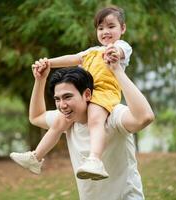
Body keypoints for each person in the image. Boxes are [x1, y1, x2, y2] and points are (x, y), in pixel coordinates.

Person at [10, 5, 133, 180]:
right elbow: (72, 58)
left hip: (105, 92)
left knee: (95, 120)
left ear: (123, 28)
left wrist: (114, 53)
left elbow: (121, 52)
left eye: (111, 26)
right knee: (60, 122)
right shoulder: (92, 52)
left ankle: (95, 159)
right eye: (100, 28)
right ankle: (35, 157)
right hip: (86, 92)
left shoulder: (121, 46)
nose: (105, 31)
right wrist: (48, 63)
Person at [14, 54, 154, 199]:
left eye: (68, 97)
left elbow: (145, 117)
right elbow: (36, 117)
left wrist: (117, 71)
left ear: (87, 94)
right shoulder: (66, 120)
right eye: (57, 99)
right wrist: (40, 80)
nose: (62, 105)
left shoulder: (113, 115)